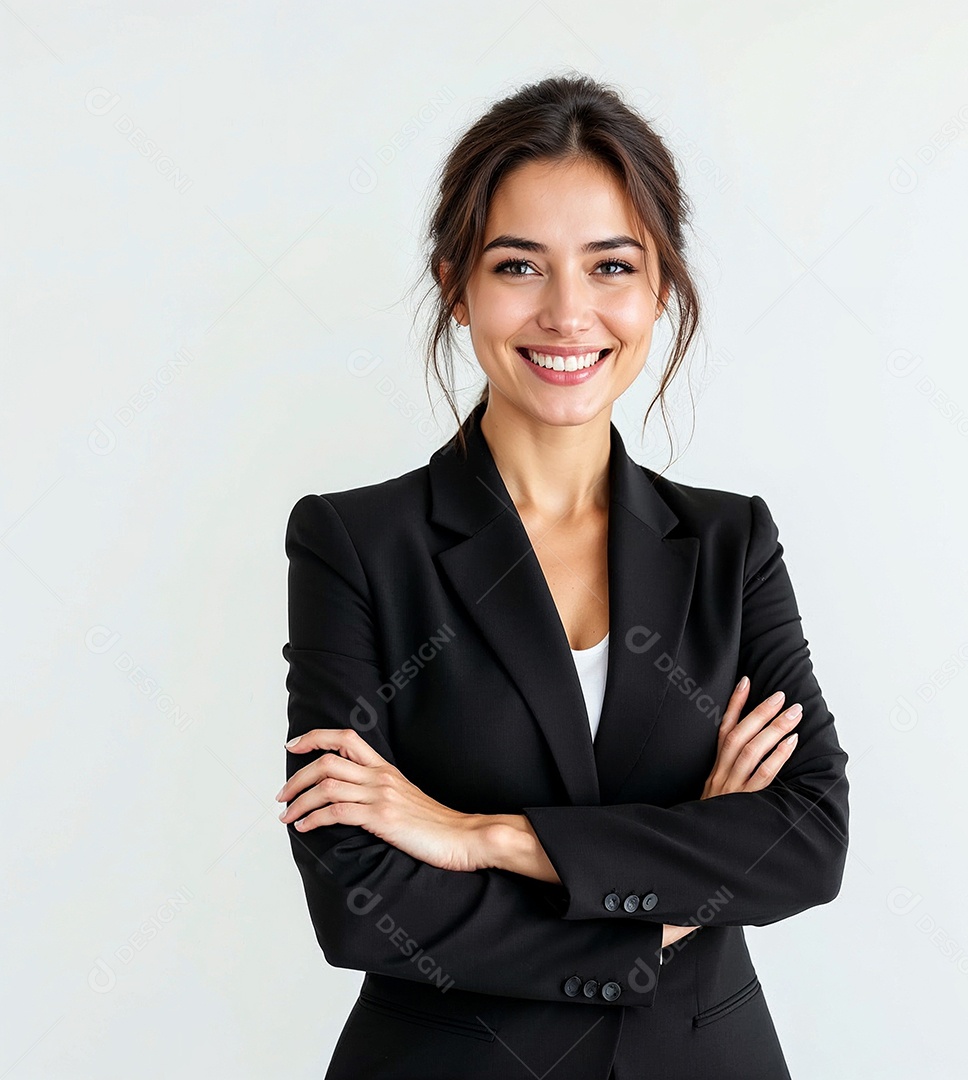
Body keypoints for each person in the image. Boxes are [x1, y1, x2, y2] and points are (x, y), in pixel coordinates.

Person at [276, 72, 849, 1080]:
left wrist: (484, 836)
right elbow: (361, 898)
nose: (568, 313)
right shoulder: (356, 543)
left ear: (660, 285)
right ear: (457, 284)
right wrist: (671, 896)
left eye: (611, 265)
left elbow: (804, 841)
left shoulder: (729, 544)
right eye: (520, 266)